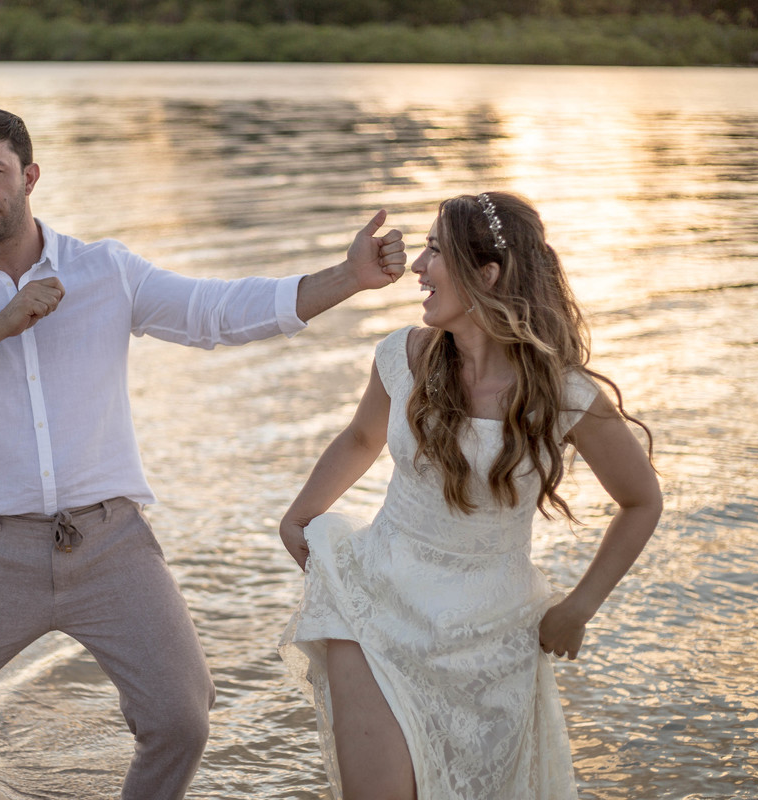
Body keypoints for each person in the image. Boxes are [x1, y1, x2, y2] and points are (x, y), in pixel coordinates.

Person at [0, 107, 407, 800]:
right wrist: (0, 323)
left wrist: (348, 277)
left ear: (29, 176)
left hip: (112, 542)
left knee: (181, 721)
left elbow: (218, 312)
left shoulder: (104, 270)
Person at [278, 191, 662, 800]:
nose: (417, 267)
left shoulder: (563, 394)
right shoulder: (403, 356)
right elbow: (359, 438)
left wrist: (579, 607)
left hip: (493, 634)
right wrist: (299, 515)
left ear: (487, 275)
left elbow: (642, 501)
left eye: (435, 250)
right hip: (375, 601)